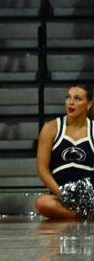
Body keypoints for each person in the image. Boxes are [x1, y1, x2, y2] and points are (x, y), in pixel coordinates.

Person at [35, 84, 94, 218]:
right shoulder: (51, 128)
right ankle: (86, 214)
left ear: (89, 104)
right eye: (68, 97)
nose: (71, 102)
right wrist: (62, 194)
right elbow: (42, 170)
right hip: (61, 196)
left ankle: (84, 211)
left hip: (91, 194)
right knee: (42, 203)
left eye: (78, 99)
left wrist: (89, 198)